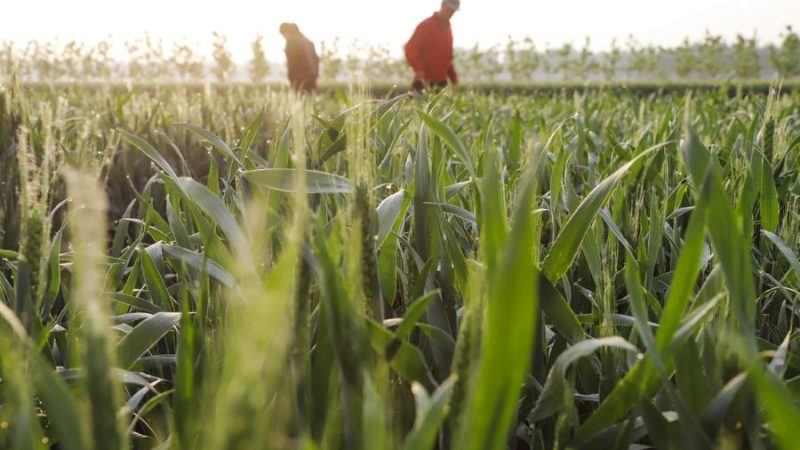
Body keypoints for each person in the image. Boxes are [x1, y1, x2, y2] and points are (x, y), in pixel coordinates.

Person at [404, 0, 460, 92]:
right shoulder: (426, 25)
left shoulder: (448, 30)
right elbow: (410, 48)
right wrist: (418, 70)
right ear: (442, 5)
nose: (451, 13)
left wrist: (454, 80)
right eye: (449, 9)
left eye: (453, 11)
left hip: (441, 83)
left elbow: (448, 57)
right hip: (423, 81)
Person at [279, 23, 319, 93]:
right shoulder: (308, 42)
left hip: (299, 78)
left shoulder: (291, 42)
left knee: (300, 99)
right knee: (310, 100)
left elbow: (292, 62)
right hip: (312, 77)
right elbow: (316, 59)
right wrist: (315, 74)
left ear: (286, 32)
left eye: (283, 34)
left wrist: (291, 77)